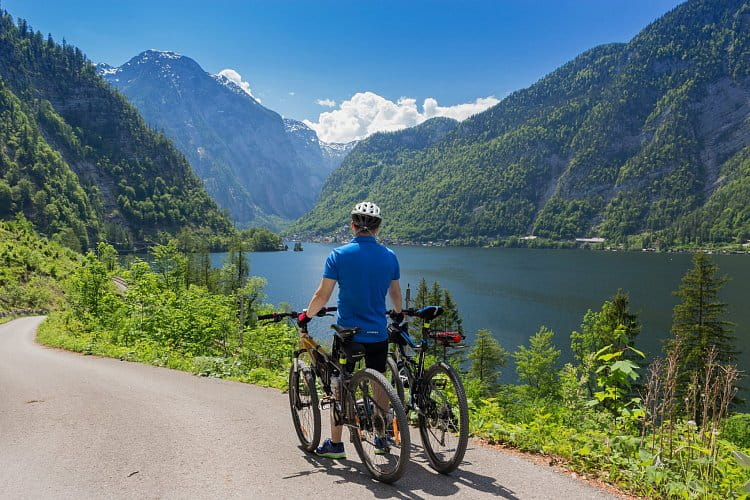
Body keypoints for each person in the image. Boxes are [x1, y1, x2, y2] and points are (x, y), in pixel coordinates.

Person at [297, 201, 404, 459]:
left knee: (340, 383)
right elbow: (396, 295)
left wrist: (305, 315)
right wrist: (399, 315)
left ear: (352, 225)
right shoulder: (389, 256)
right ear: (377, 229)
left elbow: (322, 296)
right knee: (379, 380)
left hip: (348, 335)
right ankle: (380, 435)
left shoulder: (339, 255)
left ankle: (335, 444)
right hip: (377, 334)